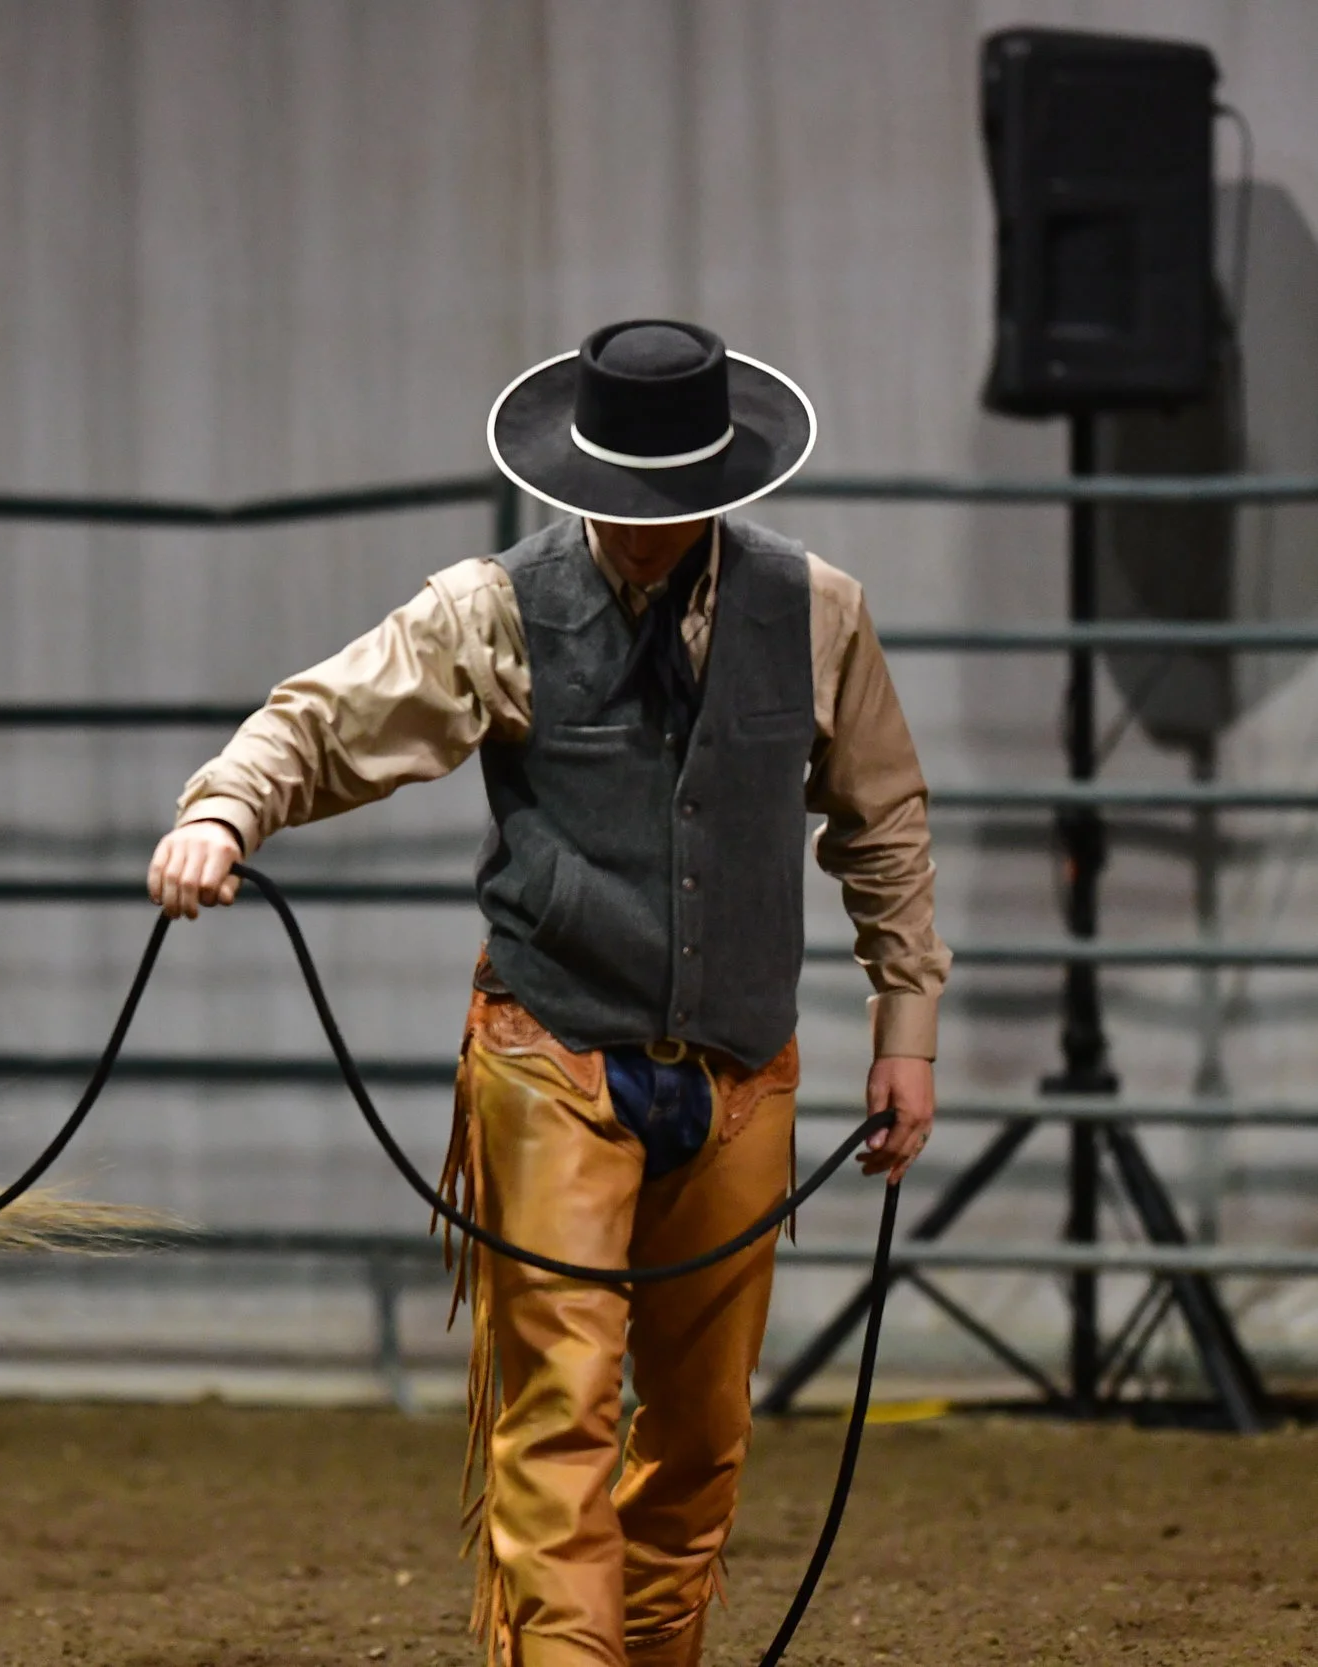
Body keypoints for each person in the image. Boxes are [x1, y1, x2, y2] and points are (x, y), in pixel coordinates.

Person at [148, 320, 948, 1667]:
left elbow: (883, 820)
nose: (636, 528)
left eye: (664, 502)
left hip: (742, 1067)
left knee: (702, 1431)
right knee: (560, 1417)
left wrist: (905, 1029)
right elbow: (326, 716)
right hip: (551, 1052)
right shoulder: (497, 608)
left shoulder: (817, 612)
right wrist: (225, 810)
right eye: (615, 500)